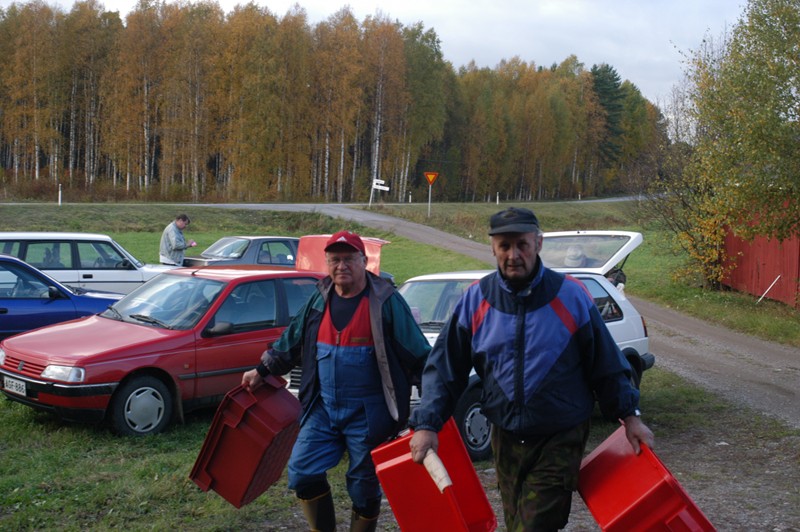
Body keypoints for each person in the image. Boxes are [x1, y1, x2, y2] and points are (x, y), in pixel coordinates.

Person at [408, 207, 654, 531]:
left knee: (534, 526)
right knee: (517, 523)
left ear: (538, 243)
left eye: (522, 244)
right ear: (493, 247)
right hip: (506, 434)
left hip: (560, 434)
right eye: (504, 246)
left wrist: (630, 416)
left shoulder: (571, 296)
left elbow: (606, 363)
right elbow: (443, 369)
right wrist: (427, 424)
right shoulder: (475, 301)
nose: (514, 255)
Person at [242, 230, 431, 532]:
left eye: (348, 259)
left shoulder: (385, 302)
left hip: (370, 413)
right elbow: (290, 342)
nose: (341, 265)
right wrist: (262, 370)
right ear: (327, 263)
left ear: (364, 261)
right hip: (323, 407)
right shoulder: (319, 299)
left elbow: (422, 359)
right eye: (335, 260)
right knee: (302, 471)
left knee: (363, 488)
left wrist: (429, 415)